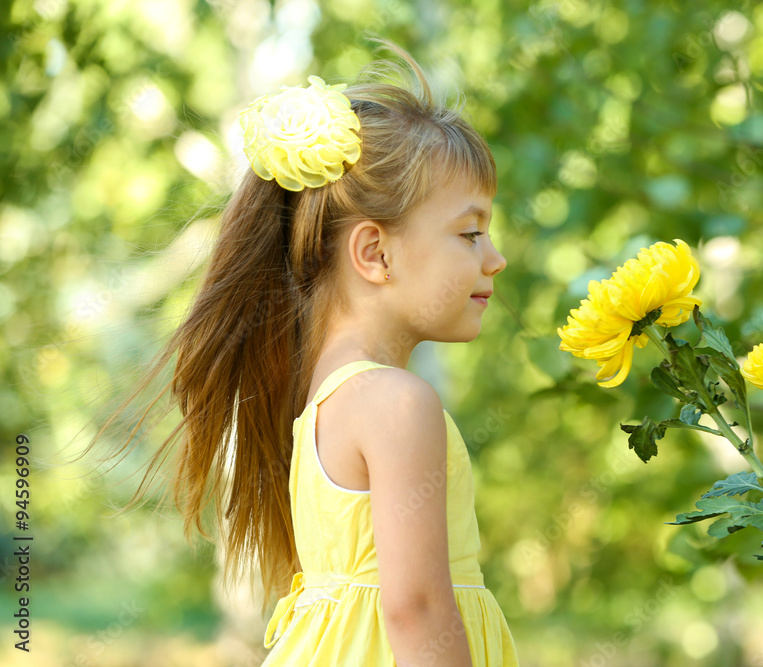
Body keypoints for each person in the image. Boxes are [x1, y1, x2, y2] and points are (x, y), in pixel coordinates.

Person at [88, 41, 519, 666]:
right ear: (375, 253)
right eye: (470, 232)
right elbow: (416, 608)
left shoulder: (327, 395)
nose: (494, 258)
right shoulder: (396, 403)